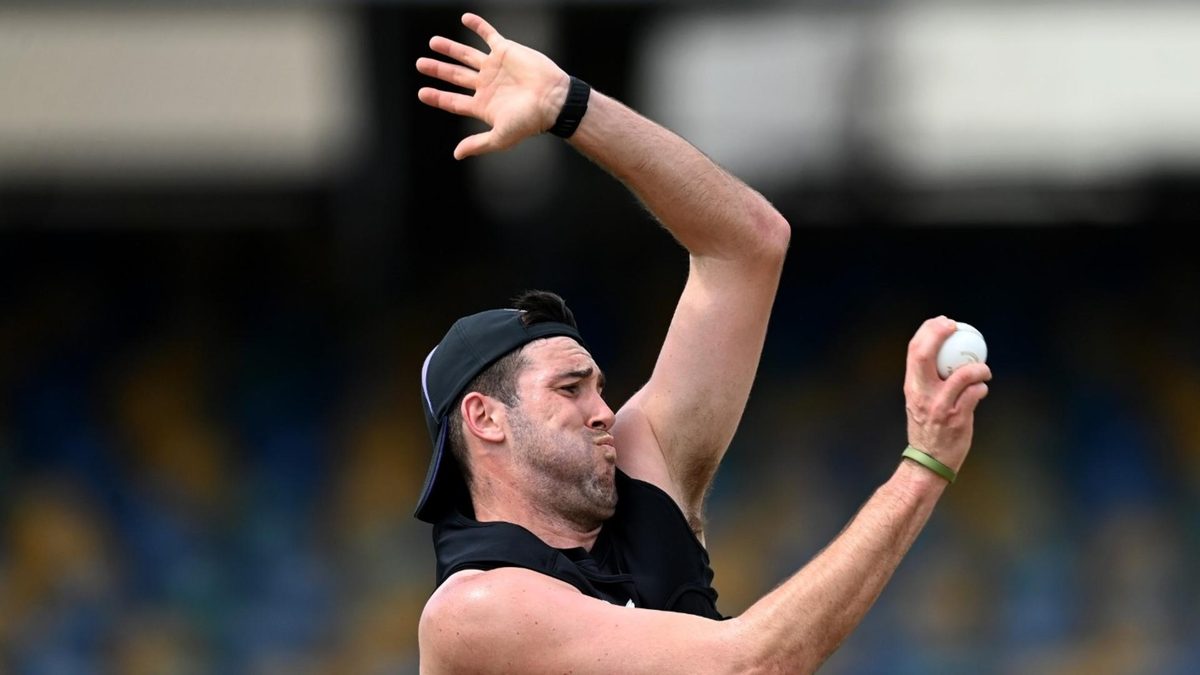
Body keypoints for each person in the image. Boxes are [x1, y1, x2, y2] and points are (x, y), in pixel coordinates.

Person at [413, 13, 991, 674]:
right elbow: (746, 665)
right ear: (485, 417)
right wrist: (924, 466)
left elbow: (747, 246)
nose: (604, 410)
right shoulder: (475, 608)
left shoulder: (638, 468)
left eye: (598, 386)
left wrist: (567, 106)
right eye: (569, 388)